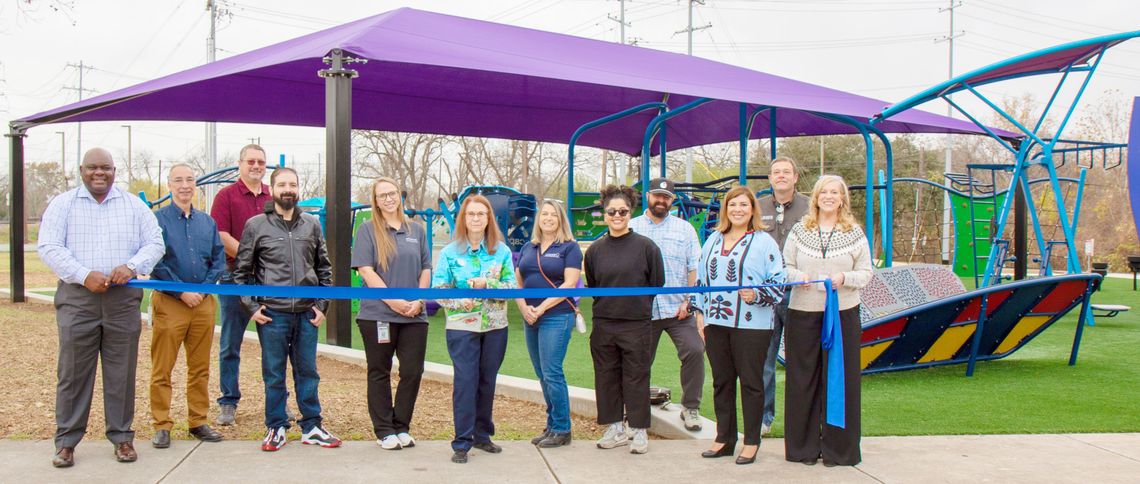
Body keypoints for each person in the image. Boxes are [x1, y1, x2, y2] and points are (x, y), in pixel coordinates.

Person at [38, 147, 165, 467]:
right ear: (82, 170)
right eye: (93, 168)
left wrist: (133, 265)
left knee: (121, 372)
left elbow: (155, 242)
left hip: (122, 301)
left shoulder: (133, 206)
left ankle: (122, 438)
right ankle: (66, 441)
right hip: (78, 299)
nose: (99, 173)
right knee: (73, 373)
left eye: (105, 168)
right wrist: (83, 275)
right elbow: (49, 246)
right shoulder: (63, 204)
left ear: (114, 171)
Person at [234, 167, 341, 452]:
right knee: (273, 373)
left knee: (308, 372)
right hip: (273, 315)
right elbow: (241, 273)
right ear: (272, 189)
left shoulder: (312, 225)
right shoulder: (256, 225)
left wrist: (322, 306)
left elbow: (324, 270)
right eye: (282, 184)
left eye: (292, 184)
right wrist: (252, 308)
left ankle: (312, 426)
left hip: (307, 314)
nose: (288, 189)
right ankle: (276, 426)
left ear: (298, 188)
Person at [691, 186, 785, 465]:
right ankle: (724, 438)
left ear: (752, 209)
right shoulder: (712, 240)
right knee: (722, 381)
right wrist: (699, 312)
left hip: (752, 323)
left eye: (744, 205)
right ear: (726, 210)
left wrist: (757, 294)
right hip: (716, 320)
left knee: (751, 382)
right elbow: (702, 281)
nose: (738, 210)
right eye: (733, 205)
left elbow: (779, 280)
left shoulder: (764, 241)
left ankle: (752, 441)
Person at [782, 175, 872, 467]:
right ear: (816, 197)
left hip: (843, 313)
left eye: (836, 192)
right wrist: (799, 277)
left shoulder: (855, 233)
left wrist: (844, 278)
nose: (829, 197)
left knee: (840, 379)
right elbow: (784, 268)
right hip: (803, 312)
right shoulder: (799, 230)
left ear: (843, 198)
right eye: (824, 192)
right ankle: (802, 448)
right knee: (802, 379)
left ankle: (839, 450)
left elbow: (867, 273)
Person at [431, 195, 517, 464]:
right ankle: (462, 442)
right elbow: (439, 290)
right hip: (461, 326)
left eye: (482, 214)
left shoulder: (501, 251)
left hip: (494, 326)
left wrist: (487, 285)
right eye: (471, 214)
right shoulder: (449, 252)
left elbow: (511, 287)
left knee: (486, 380)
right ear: (464, 219)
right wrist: (459, 300)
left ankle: (482, 435)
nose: (477, 218)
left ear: (489, 218)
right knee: (465, 381)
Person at [148, 164, 227, 449]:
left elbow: (218, 260)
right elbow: (155, 261)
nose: (185, 185)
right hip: (170, 303)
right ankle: (161, 424)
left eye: (189, 180)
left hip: (204, 304)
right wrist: (182, 292)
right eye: (178, 180)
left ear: (196, 185)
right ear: (169, 186)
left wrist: (202, 289)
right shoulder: (156, 221)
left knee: (200, 367)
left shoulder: (207, 222)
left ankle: (198, 421)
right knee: (163, 367)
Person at [583, 185, 665, 455]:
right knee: (606, 377)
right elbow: (594, 284)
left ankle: (639, 430)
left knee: (636, 377)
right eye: (611, 211)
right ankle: (615, 427)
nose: (617, 215)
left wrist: (637, 309)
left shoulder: (646, 247)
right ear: (604, 214)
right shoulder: (594, 250)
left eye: (623, 211)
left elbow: (657, 283)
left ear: (631, 213)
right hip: (605, 323)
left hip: (636, 323)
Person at [352, 178, 432, 450]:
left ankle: (401, 426)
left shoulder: (416, 230)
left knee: (412, 371)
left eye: (392, 193)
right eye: (382, 195)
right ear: (375, 201)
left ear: (400, 196)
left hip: (414, 316)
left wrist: (419, 300)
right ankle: (384, 429)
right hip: (378, 315)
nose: (388, 199)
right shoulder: (366, 231)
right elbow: (366, 270)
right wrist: (395, 302)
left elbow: (425, 269)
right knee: (379, 371)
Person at [628, 177, 705, 431]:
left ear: (672, 201)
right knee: (638, 362)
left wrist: (689, 300)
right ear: (648, 196)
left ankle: (690, 408)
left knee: (694, 350)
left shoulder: (685, 229)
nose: (661, 201)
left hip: (677, 310)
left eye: (666, 197)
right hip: (642, 311)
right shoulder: (632, 226)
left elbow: (695, 267)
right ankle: (634, 413)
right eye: (657, 196)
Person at [210, 144, 273, 426]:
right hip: (235, 277)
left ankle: (277, 402)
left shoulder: (274, 198)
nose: (256, 166)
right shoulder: (226, 196)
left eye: (260, 162)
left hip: (270, 281)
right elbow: (220, 233)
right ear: (240, 164)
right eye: (251, 161)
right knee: (230, 344)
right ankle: (228, 401)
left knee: (274, 345)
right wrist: (250, 259)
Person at [514, 199, 583, 448]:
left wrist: (541, 308)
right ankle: (552, 424)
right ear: (538, 218)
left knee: (553, 372)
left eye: (554, 214)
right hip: (530, 316)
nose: (548, 218)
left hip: (557, 315)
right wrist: (525, 309)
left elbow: (569, 284)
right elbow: (518, 283)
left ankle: (562, 429)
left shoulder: (570, 248)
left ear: (561, 219)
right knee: (542, 373)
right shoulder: (527, 248)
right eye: (544, 214)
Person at [757, 156, 810, 436]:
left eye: (786, 172)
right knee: (765, 358)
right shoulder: (759, 206)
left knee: (801, 358)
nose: (781, 176)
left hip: (800, 292)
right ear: (770, 178)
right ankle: (765, 418)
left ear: (795, 177)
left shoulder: (809, 206)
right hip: (767, 294)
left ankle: (801, 417)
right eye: (776, 172)